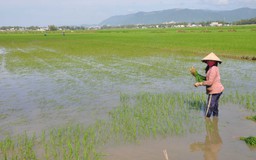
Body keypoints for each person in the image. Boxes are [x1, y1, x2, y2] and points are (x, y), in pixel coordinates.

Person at [193, 52, 224, 118]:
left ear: (214, 61)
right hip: (218, 90)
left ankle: (207, 121)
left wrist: (199, 83)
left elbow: (210, 82)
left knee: (209, 107)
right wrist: (197, 76)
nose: (208, 62)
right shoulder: (213, 68)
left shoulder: (213, 69)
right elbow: (209, 79)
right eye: (208, 60)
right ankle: (215, 121)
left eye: (210, 60)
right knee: (215, 107)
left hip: (214, 91)